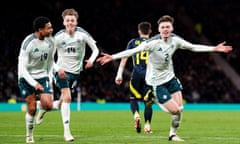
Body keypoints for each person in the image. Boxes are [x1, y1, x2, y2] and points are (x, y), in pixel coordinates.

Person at [97, 15, 232, 141]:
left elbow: (193, 47)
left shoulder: (176, 40)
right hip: (157, 83)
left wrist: (214, 49)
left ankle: (172, 134)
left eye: (167, 27)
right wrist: (113, 57)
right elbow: (132, 51)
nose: (165, 29)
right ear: (158, 29)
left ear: (171, 28)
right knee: (176, 110)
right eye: (163, 27)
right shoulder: (152, 43)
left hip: (170, 79)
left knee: (180, 109)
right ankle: (155, 99)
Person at [35, 8, 100, 142]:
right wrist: (58, 68)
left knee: (62, 102)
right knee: (68, 97)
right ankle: (67, 132)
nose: (70, 22)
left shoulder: (82, 34)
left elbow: (95, 49)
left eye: (72, 20)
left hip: (76, 72)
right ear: (64, 22)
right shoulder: (57, 37)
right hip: (61, 72)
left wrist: (91, 61)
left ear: (76, 22)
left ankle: (43, 108)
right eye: (68, 20)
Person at [18, 16, 55, 143]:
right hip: (26, 77)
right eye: (48, 28)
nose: (51, 30)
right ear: (40, 30)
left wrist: (49, 78)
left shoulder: (51, 41)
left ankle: (42, 105)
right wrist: (34, 84)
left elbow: (50, 62)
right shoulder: (28, 43)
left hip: (42, 75)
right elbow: (22, 68)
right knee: (31, 108)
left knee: (49, 105)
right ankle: (29, 135)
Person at [115, 21, 154, 133]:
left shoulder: (132, 42)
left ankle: (136, 115)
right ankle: (147, 126)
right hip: (149, 75)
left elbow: (124, 58)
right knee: (148, 101)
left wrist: (119, 74)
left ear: (139, 31)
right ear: (150, 31)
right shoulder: (154, 42)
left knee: (133, 98)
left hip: (136, 74)